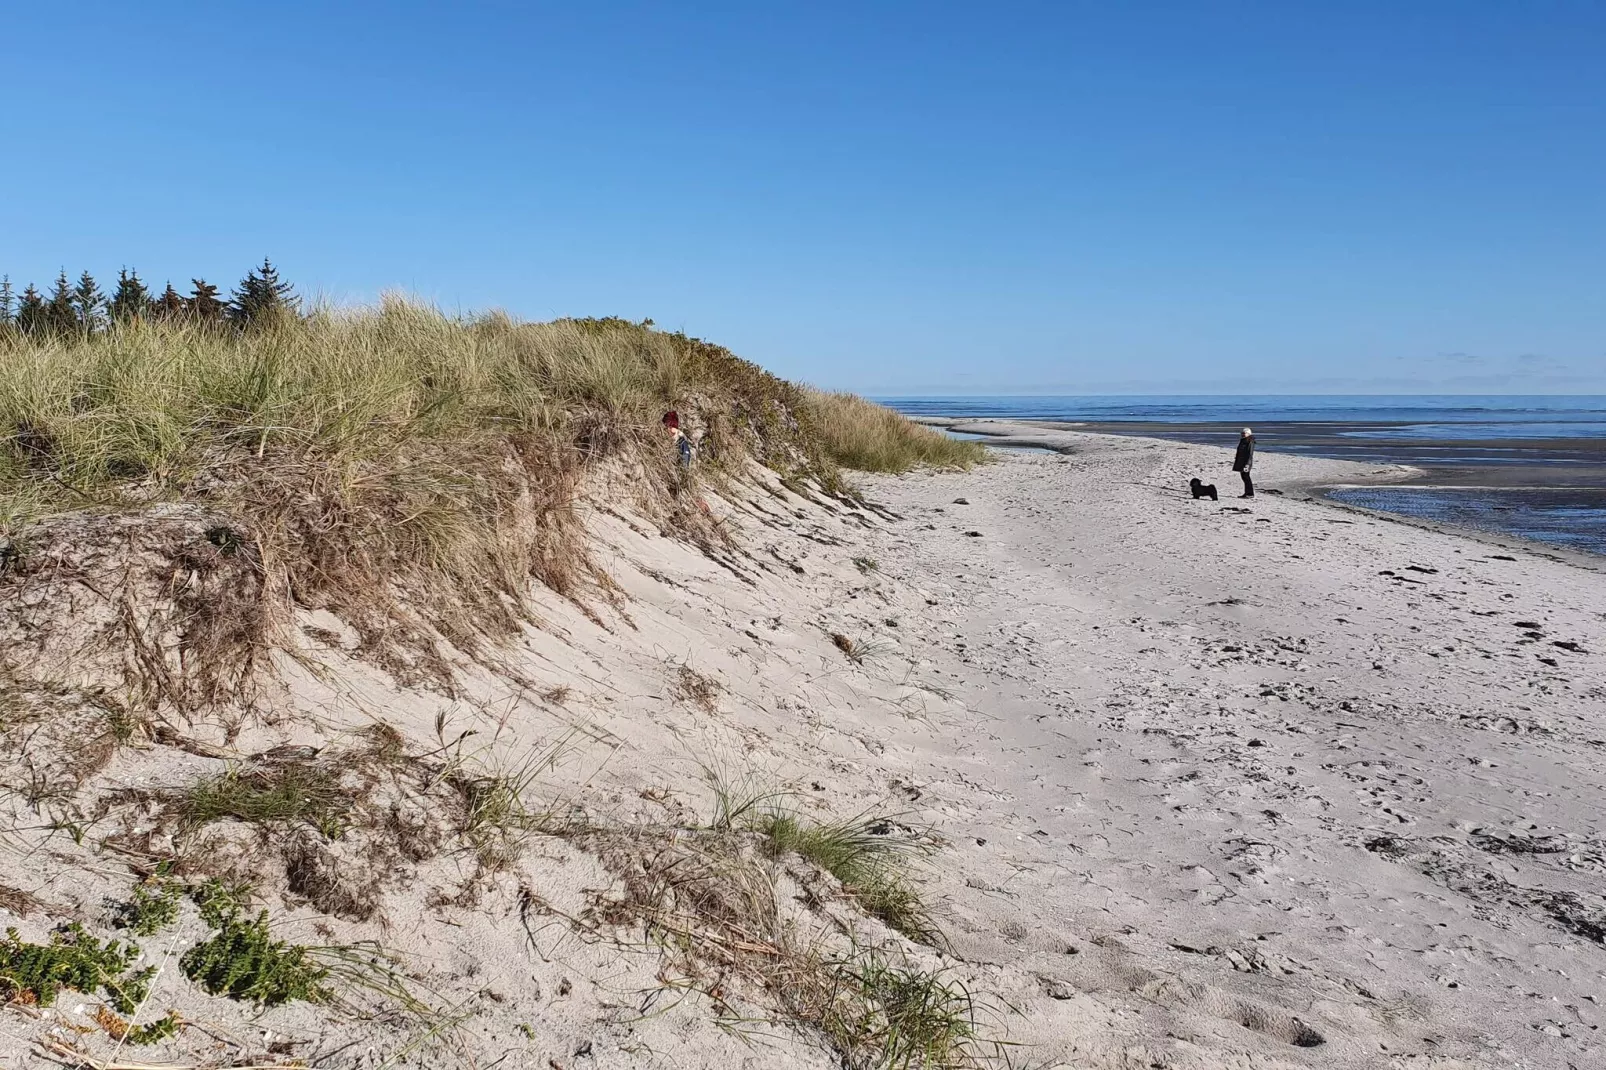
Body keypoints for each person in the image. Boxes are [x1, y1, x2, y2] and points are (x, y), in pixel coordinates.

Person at [1231, 427, 1255, 498]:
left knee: (1246, 477)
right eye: (1242, 433)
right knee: (1244, 477)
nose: (1243, 434)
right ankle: (1247, 493)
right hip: (1241, 461)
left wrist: (1247, 464)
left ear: (1248, 434)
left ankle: (1250, 494)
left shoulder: (1250, 441)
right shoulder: (1243, 440)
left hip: (1246, 462)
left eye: (1244, 433)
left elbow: (1249, 454)